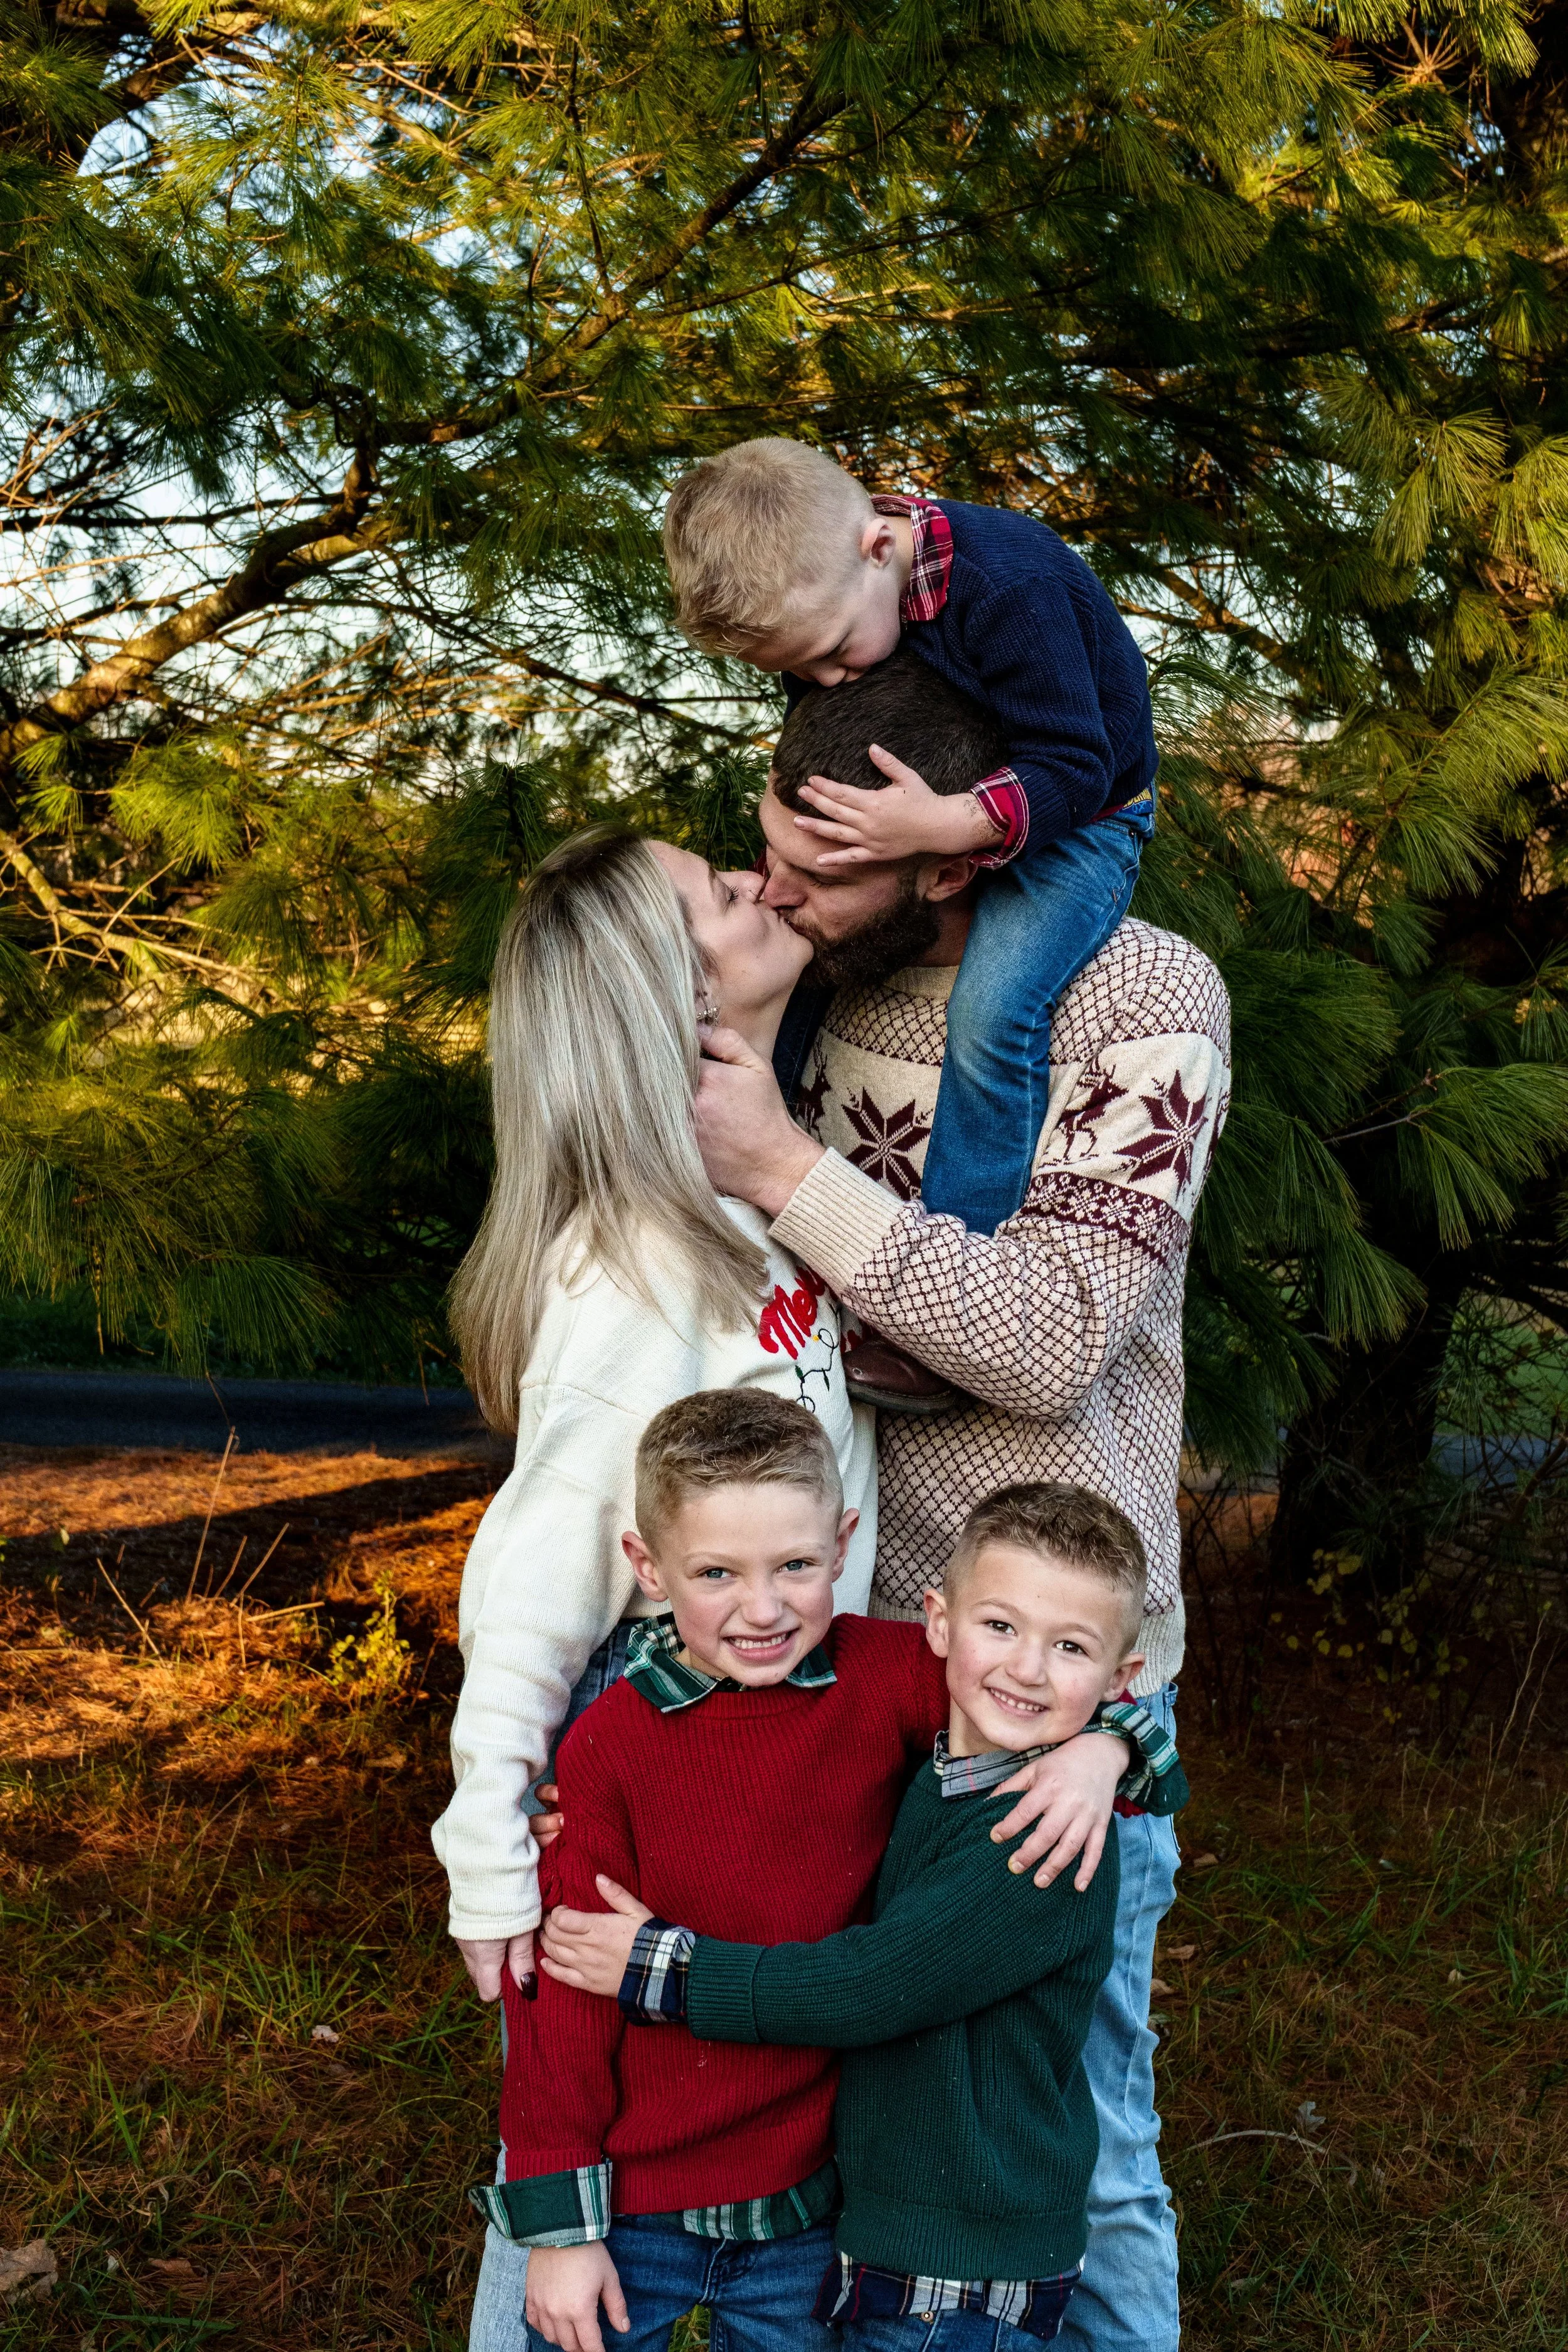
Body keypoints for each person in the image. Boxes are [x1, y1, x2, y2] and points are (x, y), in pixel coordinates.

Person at [437, 829, 1115, 2352]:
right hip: (660, 1720)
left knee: (752, 2082)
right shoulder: (631, 1274)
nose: (754, 886)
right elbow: (532, 1583)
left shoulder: (739, 1214)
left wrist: (1103, 1738)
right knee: (578, 2105)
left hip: (789, 1699)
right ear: (664, 1006)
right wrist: (489, 1844)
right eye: (714, 899)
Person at [687, 660, 1231, 2352]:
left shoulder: (1137, 990)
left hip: (1052, 1680)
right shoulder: (812, 997)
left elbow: (1052, 1333)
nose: (781, 888)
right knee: (871, 2106)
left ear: (945, 854)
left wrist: (789, 1168)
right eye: (769, 844)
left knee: (1088, 2126)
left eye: (823, 866)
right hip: (848, 1660)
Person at [480, 1393, 1172, 2352]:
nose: (763, 1609)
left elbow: (1040, 1684)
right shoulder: (610, 1748)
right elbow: (561, 1990)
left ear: (843, 1545)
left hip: (812, 2210)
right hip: (640, 2202)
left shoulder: (882, 1677)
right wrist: (562, 2224)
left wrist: (1109, 1752)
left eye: (796, 1566)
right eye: (716, 1572)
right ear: (649, 1567)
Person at [664, 440, 1158, 1405]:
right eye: (799, 671)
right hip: (947, 805)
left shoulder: (1009, 582)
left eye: (836, 653)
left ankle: (951, 1274)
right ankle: (755, 1102)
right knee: (809, 969)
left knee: (995, 1007)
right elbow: (847, 712)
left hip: (1083, 813)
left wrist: (941, 826)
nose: (832, 682)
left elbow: (1078, 761)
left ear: (876, 545)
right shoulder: (834, 597)